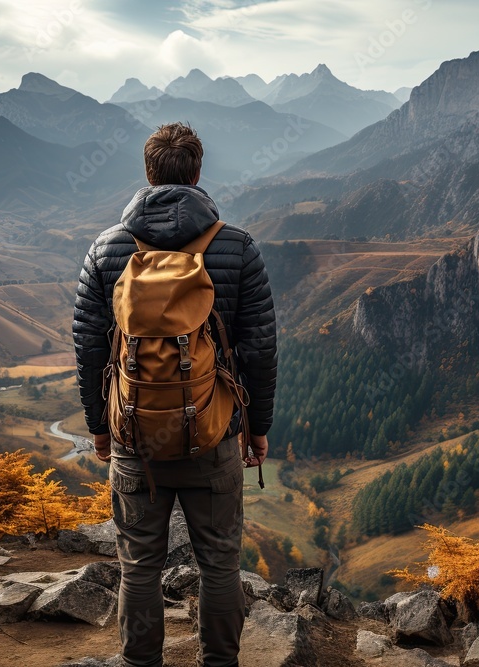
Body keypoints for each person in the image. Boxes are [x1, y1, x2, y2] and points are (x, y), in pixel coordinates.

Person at [72, 122, 277, 667]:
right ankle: (219, 663)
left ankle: (140, 663)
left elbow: (90, 348)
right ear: (196, 172)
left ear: (149, 174)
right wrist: (258, 429)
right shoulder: (235, 247)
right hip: (212, 438)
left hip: (136, 438)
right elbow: (259, 349)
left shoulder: (106, 250)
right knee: (219, 564)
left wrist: (98, 425)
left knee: (139, 565)